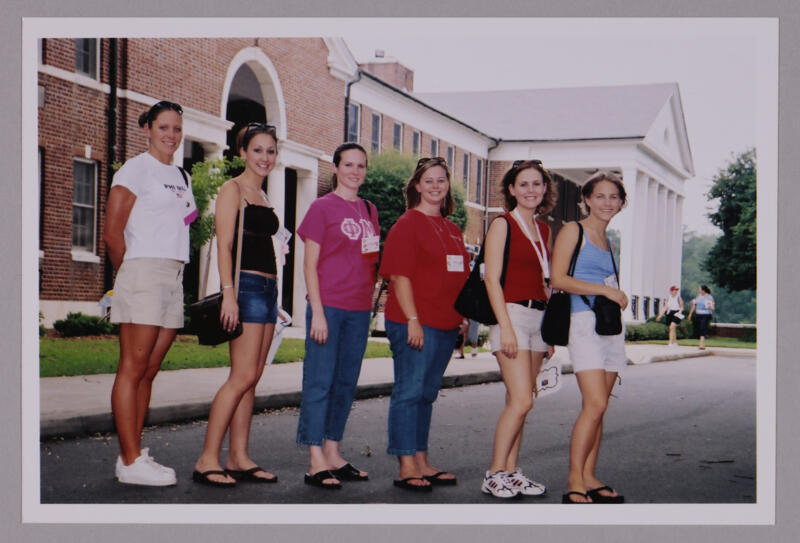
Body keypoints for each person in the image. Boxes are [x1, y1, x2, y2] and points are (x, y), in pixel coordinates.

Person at [104, 100, 196, 486]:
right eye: (163, 127)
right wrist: (128, 274)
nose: (171, 135)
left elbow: (184, 223)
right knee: (133, 368)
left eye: (176, 128)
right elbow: (112, 232)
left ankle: (135, 453)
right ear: (148, 128)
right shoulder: (135, 169)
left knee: (150, 369)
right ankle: (128, 461)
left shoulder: (181, 175)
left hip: (174, 273)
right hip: (143, 271)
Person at [192, 123, 282, 487]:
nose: (265, 157)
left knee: (253, 377)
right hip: (244, 287)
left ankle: (239, 456)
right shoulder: (233, 190)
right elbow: (225, 246)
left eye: (271, 151)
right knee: (241, 375)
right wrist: (229, 293)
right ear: (243, 152)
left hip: (268, 288)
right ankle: (207, 458)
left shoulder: (262, 195)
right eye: (258, 150)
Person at [379, 157, 470, 492]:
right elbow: (399, 277)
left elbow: (459, 278)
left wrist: (461, 318)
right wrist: (413, 320)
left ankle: (422, 460)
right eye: (428, 180)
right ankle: (406, 465)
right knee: (409, 391)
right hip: (413, 321)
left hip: (446, 323)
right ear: (416, 185)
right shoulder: (408, 224)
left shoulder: (452, 228)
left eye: (441, 180)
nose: (435, 186)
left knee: (426, 394)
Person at [295, 143, 379, 489]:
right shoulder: (321, 208)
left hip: (359, 310)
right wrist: (317, 313)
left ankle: (333, 452)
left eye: (360, 166)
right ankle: (315, 459)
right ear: (336, 167)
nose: (355, 171)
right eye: (349, 164)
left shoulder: (369, 210)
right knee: (320, 381)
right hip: (328, 307)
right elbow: (309, 264)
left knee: (345, 383)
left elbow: (370, 259)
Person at [550, 171, 629, 504]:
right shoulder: (574, 230)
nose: (607, 202)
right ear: (586, 199)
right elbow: (558, 278)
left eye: (614, 197)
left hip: (610, 328)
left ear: (622, 203)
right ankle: (574, 482)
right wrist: (607, 292)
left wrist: (614, 295)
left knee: (600, 408)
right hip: (583, 323)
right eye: (600, 196)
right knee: (595, 403)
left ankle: (590, 475)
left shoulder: (609, 242)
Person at [480, 160, 556, 499]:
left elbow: (545, 282)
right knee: (522, 400)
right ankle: (494, 472)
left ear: (544, 189)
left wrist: (550, 331)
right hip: (510, 314)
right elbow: (492, 281)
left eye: (536, 184)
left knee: (522, 399)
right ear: (511, 189)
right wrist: (504, 328)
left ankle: (512, 472)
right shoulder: (502, 224)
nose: (530, 190)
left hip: (538, 318)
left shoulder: (544, 230)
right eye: (523, 184)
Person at [687, 285, 715, 350]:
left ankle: (701, 345)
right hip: (698, 314)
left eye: (699, 289)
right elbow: (694, 305)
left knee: (703, 328)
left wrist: (709, 306)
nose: (698, 290)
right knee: (699, 328)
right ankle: (702, 344)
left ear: (703, 290)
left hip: (706, 314)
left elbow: (713, 308)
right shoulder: (698, 296)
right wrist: (690, 314)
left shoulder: (709, 297)